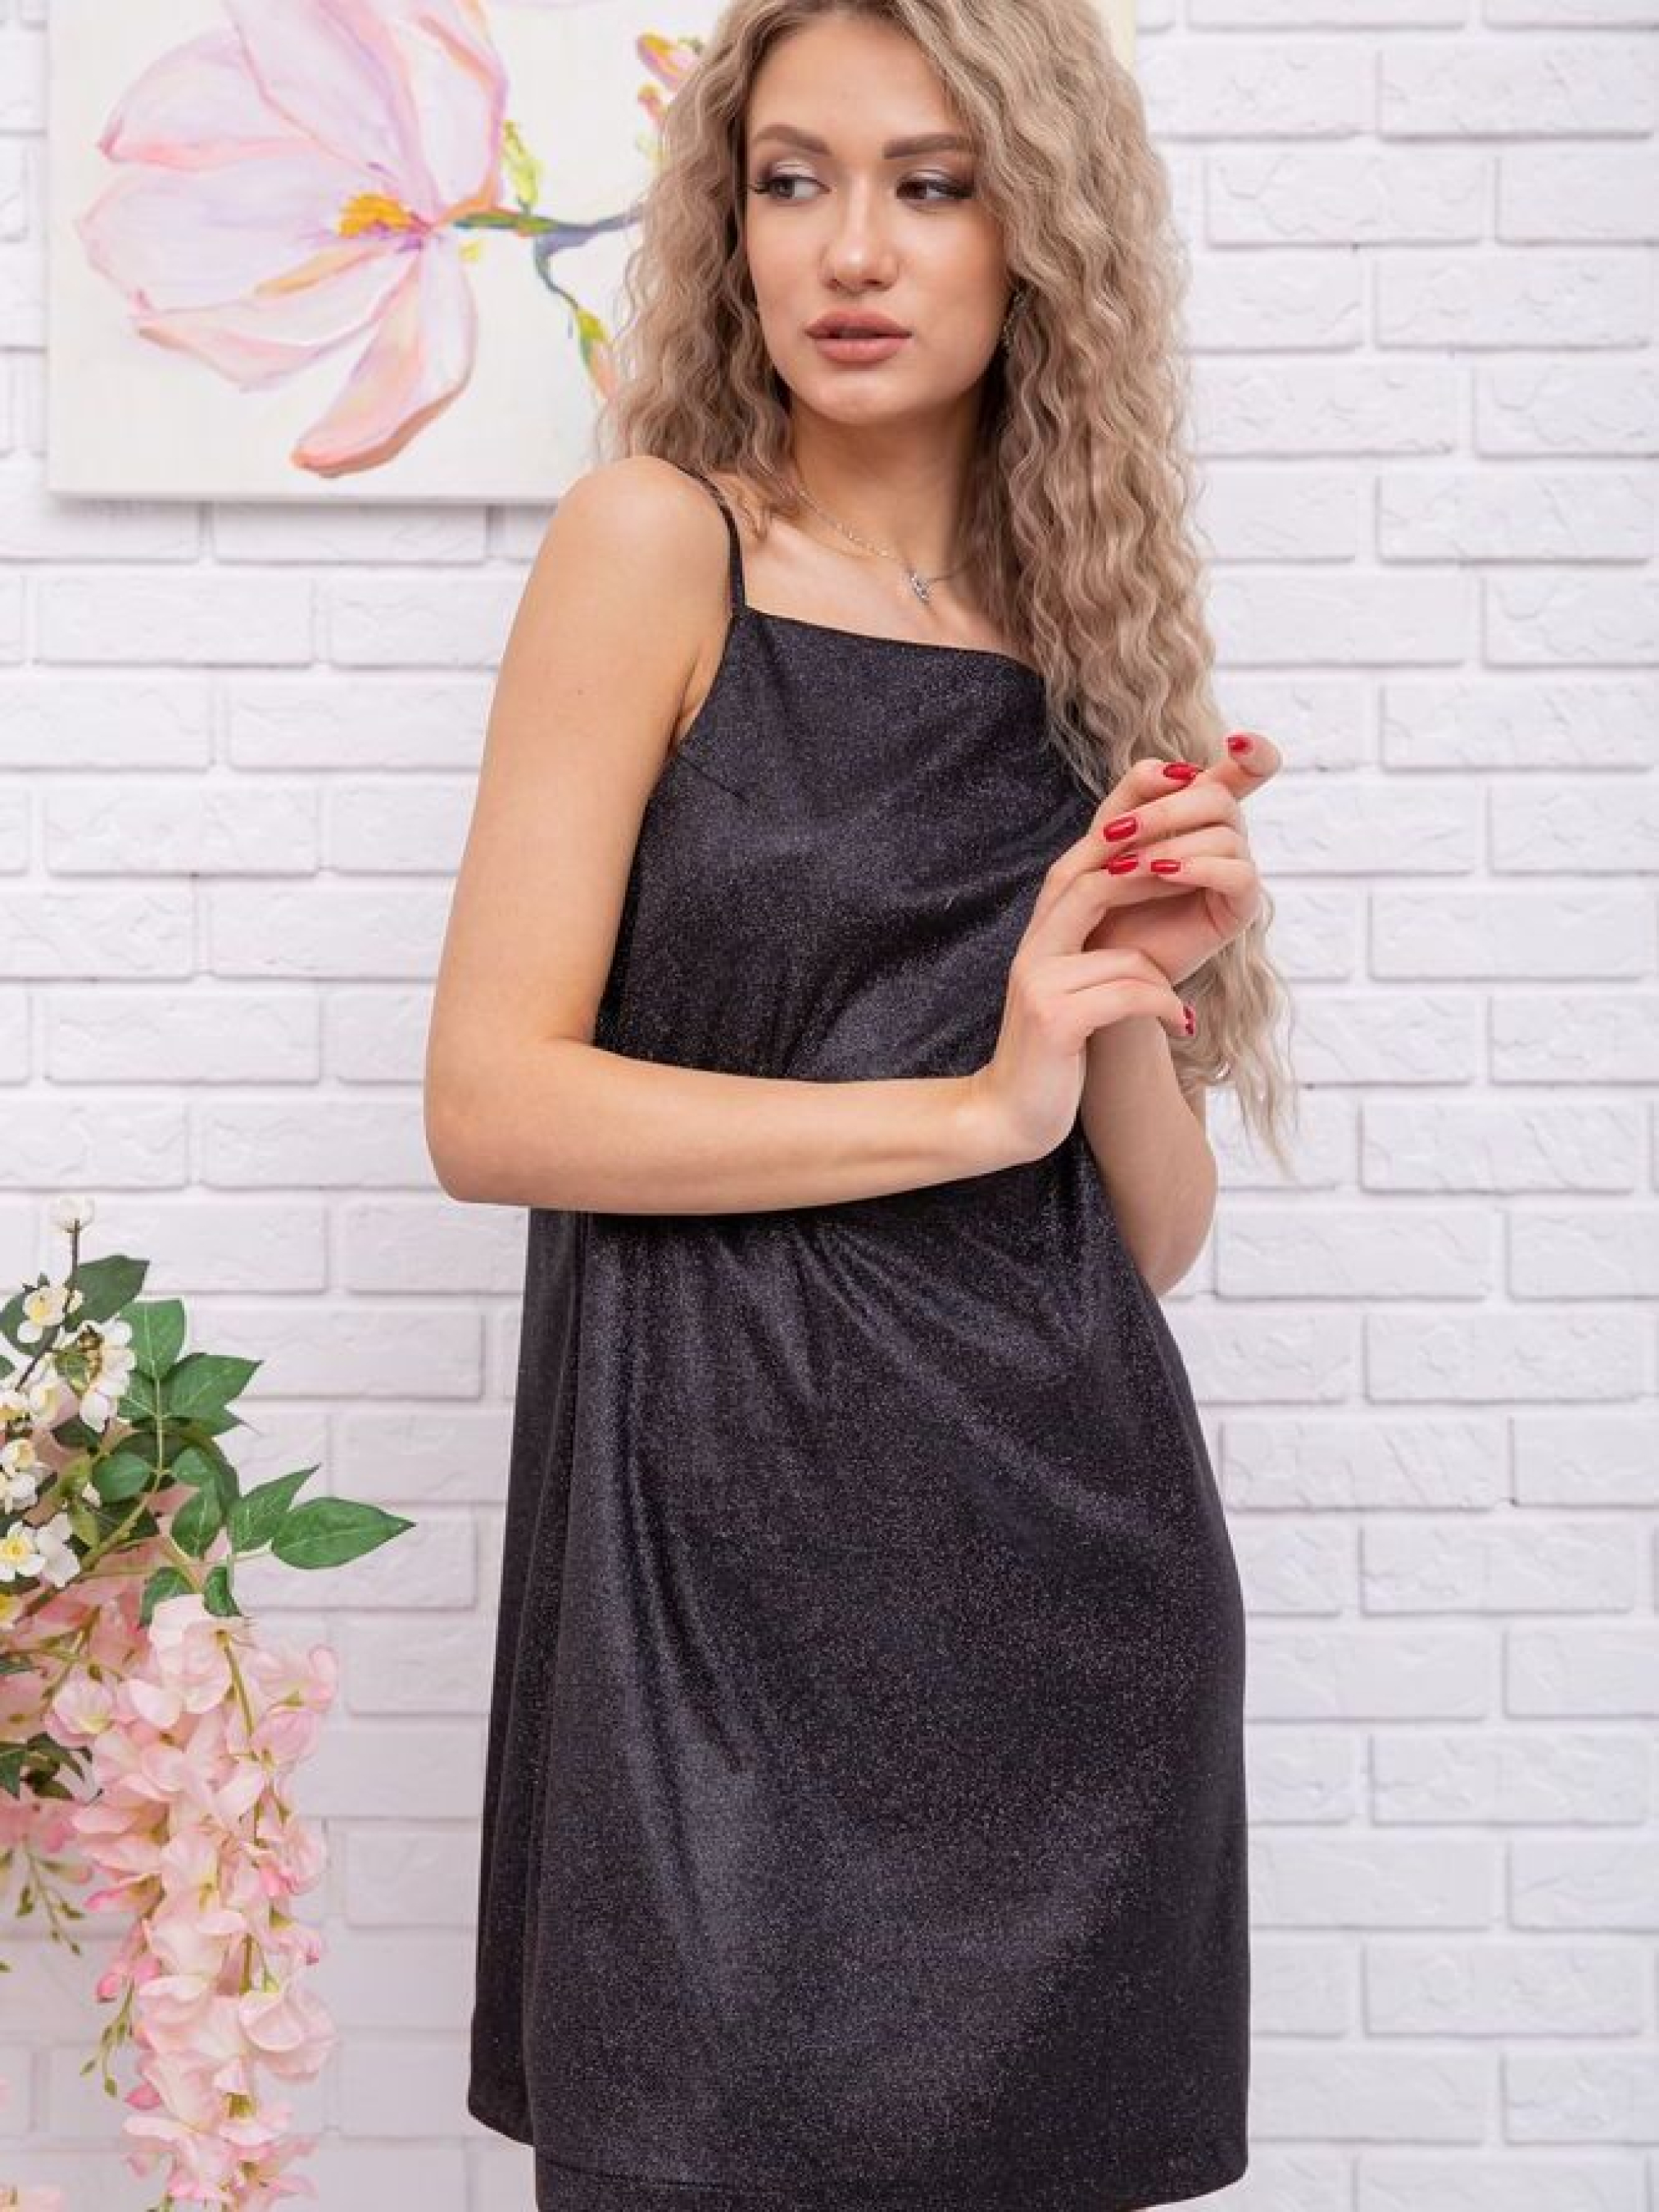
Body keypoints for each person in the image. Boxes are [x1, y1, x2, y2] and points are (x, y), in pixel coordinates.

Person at [424, 2, 1296, 2205]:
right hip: (708, 1607)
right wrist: (967, 1111)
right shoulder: (655, 546)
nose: (852, 249)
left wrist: (1119, 984)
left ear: (1040, 233)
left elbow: (1145, 1238)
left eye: (931, 185)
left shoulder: (1089, 644)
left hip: (1067, 1599)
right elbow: (491, 1105)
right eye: (793, 180)